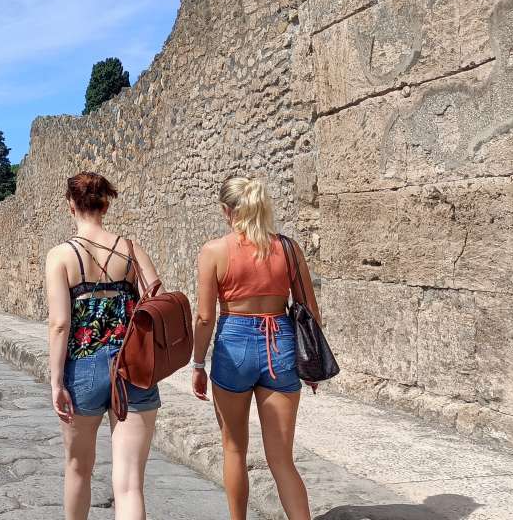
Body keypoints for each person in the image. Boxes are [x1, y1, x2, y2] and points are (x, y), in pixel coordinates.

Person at [191, 177, 317, 520]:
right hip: (282, 345)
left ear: (226, 211)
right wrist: (312, 364)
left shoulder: (214, 251)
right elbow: (308, 309)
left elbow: (204, 318)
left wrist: (198, 364)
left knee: (233, 448)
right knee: (281, 460)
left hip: (235, 342)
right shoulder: (288, 249)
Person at [43, 172, 161, 520]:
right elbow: (158, 301)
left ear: (70, 206)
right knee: (129, 484)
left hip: (83, 367)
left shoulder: (61, 256)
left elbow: (60, 324)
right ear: (105, 204)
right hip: (133, 367)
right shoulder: (130, 248)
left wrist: (55, 382)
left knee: (78, 468)